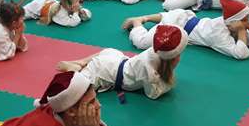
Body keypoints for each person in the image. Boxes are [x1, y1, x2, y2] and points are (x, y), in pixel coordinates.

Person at [58, 25, 188, 100]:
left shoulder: (155, 50)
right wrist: (167, 85)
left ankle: (82, 62)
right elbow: (152, 94)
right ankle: (74, 70)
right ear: (173, 59)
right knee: (80, 89)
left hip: (117, 60)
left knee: (107, 52)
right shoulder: (150, 71)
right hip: (106, 72)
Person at [123, 0, 249, 60]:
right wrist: (242, 29)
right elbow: (241, 54)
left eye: (247, 19)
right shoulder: (218, 34)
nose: (246, 22)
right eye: (244, 20)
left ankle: (145, 17)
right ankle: (138, 22)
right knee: (141, 43)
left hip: (184, 17)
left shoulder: (232, 24)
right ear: (232, 22)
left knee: (170, 15)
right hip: (176, 26)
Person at [23, 0, 92, 27]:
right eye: (77, 1)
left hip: (48, 0)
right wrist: (76, 12)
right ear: (70, 5)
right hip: (37, 7)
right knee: (19, 15)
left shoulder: (69, 7)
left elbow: (88, 15)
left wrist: (81, 12)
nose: (79, 3)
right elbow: (73, 23)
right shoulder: (59, 13)